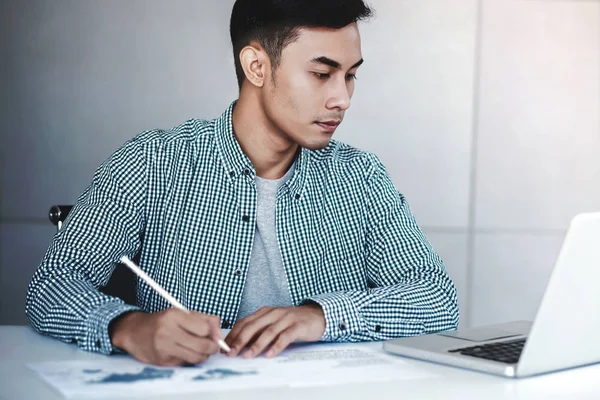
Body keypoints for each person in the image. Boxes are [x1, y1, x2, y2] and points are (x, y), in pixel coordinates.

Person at [26, 0, 459, 367]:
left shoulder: (360, 177)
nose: (341, 98)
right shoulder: (153, 162)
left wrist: (323, 317)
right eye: (322, 73)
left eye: (350, 75)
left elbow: (438, 299)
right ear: (255, 66)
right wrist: (127, 327)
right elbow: (51, 285)